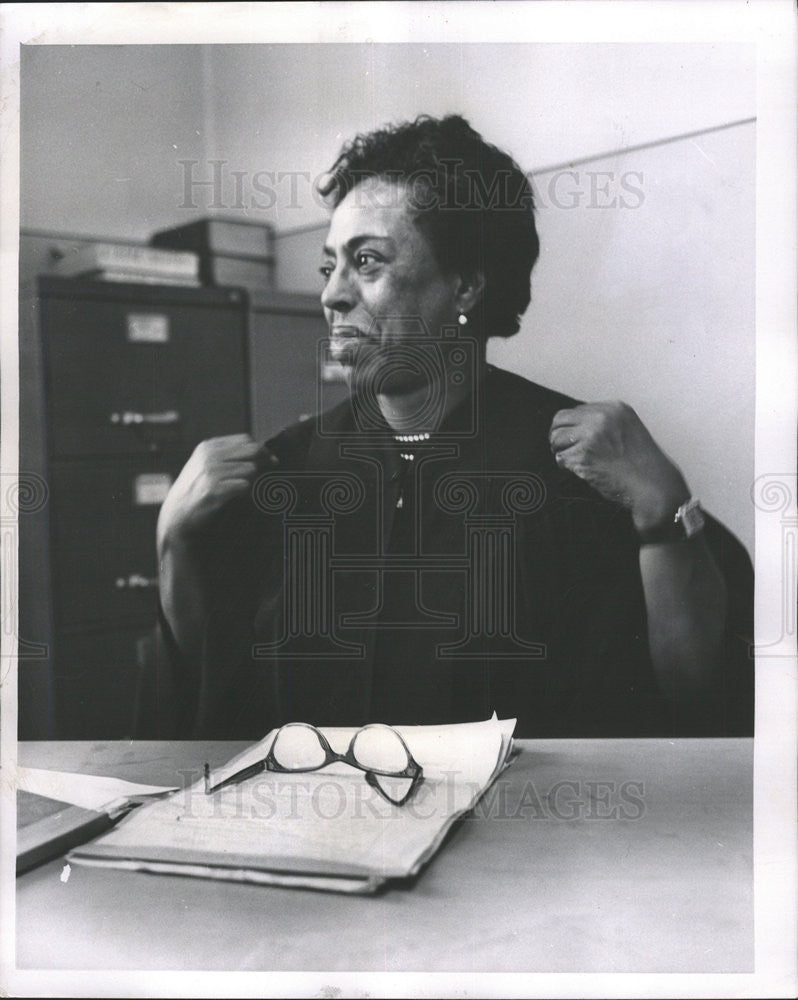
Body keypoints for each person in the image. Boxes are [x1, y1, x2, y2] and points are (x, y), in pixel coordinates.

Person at [151, 114, 753, 740]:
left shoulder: (580, 466)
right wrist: (175, 540)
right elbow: (214, 696)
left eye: (367, 262)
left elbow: (694, 697)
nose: (332, 295)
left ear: (464, 285)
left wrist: (665, 509)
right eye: (329, 266)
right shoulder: (290, 469)